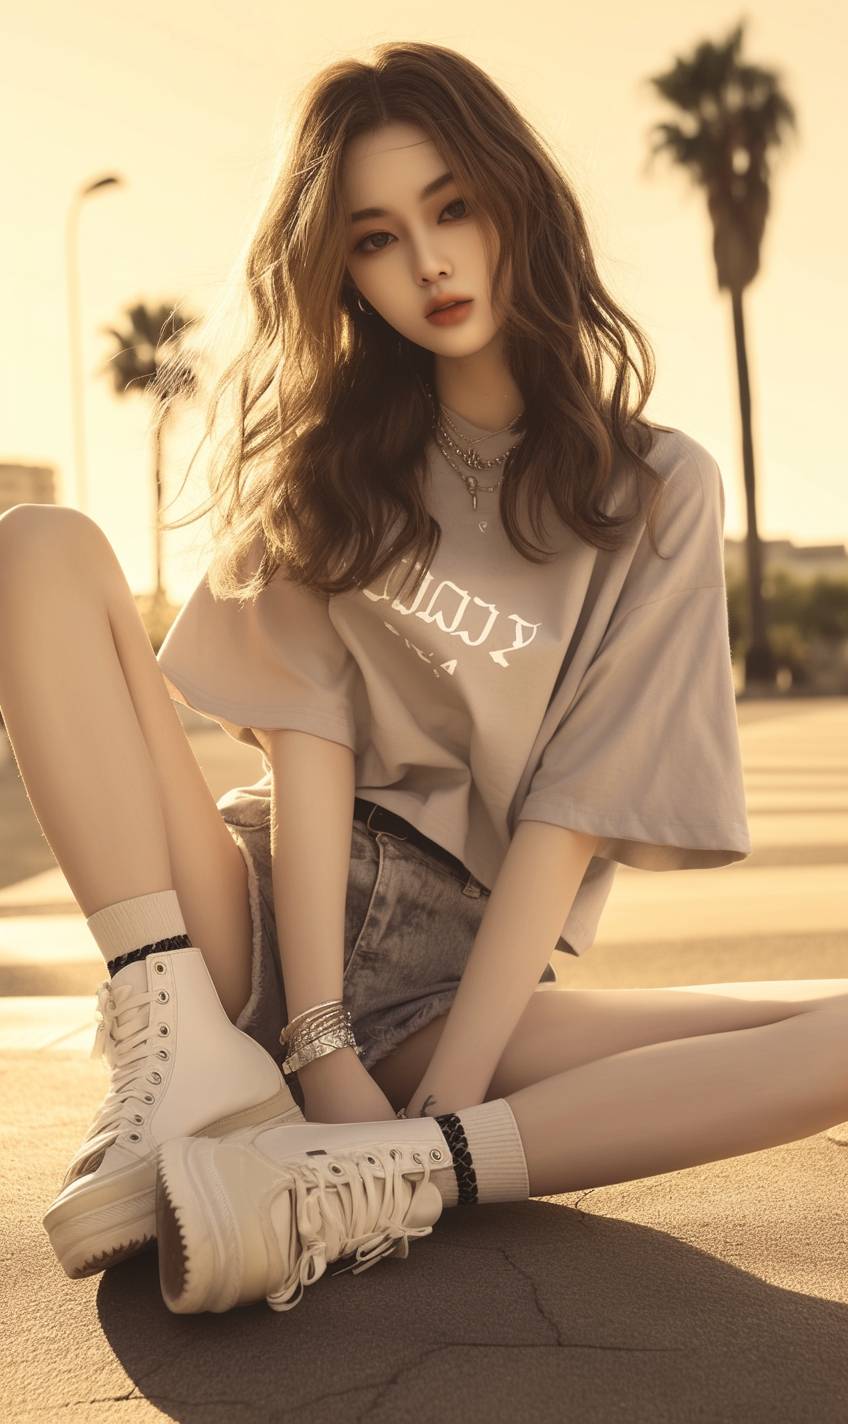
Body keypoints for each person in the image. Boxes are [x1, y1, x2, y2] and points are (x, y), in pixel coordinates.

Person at [2, 40, 847, 1315]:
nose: (428, 263)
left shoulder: (656, 489)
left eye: (451, 207)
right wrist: (314, 1034)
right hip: (253, 906)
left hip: (463, 964)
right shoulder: (334, 460)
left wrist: (437, 1085)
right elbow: (308, 742)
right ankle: (174, 1048)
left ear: (515, 199)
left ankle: (403, 1170)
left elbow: (564, 814)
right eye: (375, 237)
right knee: (39, 547)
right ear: (342, 269)